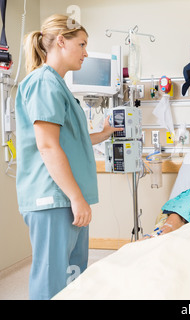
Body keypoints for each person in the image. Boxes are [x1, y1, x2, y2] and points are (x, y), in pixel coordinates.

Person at [15, 14, 122, 300]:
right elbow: (48, 146)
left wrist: (105, 133)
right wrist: (76, 198)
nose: (86, 52)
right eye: (82, 44)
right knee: (52, 282)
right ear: (61, 41)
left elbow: (72, 141)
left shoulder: (59, 86)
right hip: (54, 198)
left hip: (66, 198)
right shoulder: (43, 83)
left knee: (73, 277)